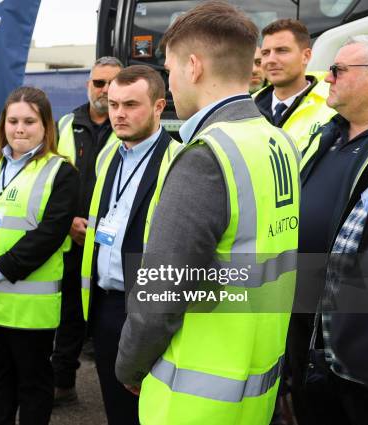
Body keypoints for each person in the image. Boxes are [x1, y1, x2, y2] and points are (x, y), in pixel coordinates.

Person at [115, 2, 300, 424]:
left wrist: (129, 363)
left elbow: (163, 289)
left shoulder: (207, 153)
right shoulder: (278, 141)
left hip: (193, 398)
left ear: (193, 66)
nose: (170, 80)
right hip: (255, 384)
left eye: (169, 68)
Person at [0, 86, 79, 425]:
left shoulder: (60, 172)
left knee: (34, 387)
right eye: (13, 121)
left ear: (46, 126)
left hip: (28, 312)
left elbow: (48, 235)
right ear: (3, 125)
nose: (19, 129)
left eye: (29, 122)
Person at [80, 64, 177, 425]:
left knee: (150, 412)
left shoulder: (177, 159)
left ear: (158, 106)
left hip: (146, 309)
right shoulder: (109, 154)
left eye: (131, 104)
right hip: (105, 306)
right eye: (114, 103)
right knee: (117, 410)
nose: (119, 113)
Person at [292, 34, 368, 425]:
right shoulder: (327, 135)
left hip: (353, 344)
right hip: (304, 329)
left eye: (338, 69)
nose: (326, 78)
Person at [52, 55, 122, 405]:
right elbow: (48, 180)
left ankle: (118, 391)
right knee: (67, 317)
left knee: (109, 320)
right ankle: (62, 384)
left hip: (110, 243)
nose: (105, 89)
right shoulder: (65, 123)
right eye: (99, 83)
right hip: (69, 240)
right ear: (88, 85)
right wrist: (66, 223)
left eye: (113, 83)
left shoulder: (129, 126)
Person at [255, 19, 336, 151]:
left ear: (306, 56)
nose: (270, 60)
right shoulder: (248, 105)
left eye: (281, 50)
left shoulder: (334, 104)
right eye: (265, 53)